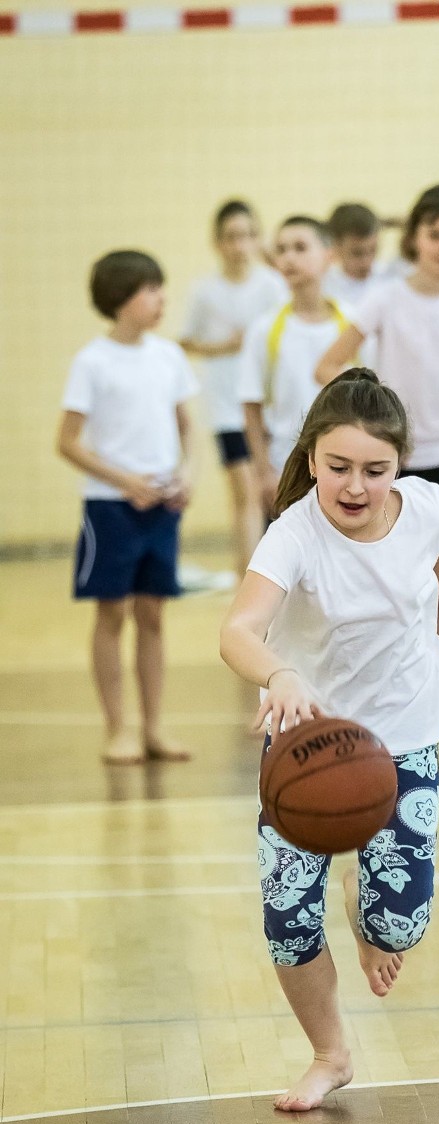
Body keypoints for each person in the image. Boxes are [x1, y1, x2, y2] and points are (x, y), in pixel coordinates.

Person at [219, 369, 439, 1111]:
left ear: (400, 466)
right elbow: (237, 630)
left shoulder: (422, 508)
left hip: (404, 730)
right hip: (307, 744)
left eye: (376, 471)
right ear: (312, 457)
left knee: (398, 925)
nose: (356, 486)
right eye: (339, 467)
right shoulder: (292, 535)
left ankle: (366, 898)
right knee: (287, 918)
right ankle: (330, 1053)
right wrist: (280, 673)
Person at [316, 185, 439, 759]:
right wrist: (363, 418)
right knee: (387, 593)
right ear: (414, 239)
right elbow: (328, 365)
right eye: (435, 235)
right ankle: (369, 711)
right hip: (385, 470)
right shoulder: (384, 300)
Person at [56, 250, 198, 764]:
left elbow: (186, 426)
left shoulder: (169, 357)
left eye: (161, 288)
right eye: (150, 290)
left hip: (162, 505)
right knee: (112, 613)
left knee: (153, 616)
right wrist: (125, 482)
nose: (161, 299)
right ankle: (118, 728)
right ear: (120, 298)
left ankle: (155, 726)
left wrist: (188, 473)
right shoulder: (91, 361)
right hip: (110, 509)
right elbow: (68, 442)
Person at [180, 200, 287, 575]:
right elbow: (186, 341)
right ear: (218, 242)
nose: (240, 244)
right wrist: (225, 346)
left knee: (274, 490)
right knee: (246, 492)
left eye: (248, 235)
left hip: (271, 406)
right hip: (226, 406)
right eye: (232, 237)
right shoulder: (204, 291)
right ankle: (248, 578)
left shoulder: (273, 285)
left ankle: (278, 577)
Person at [238, 216, 350, 517]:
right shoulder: (264, 329)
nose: (288, 258)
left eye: (300, 248)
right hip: (286, 470)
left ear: (329, 256)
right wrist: (264, 473)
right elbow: (251, 406)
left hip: (348, 473)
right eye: (282, 249)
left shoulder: (354, 323)